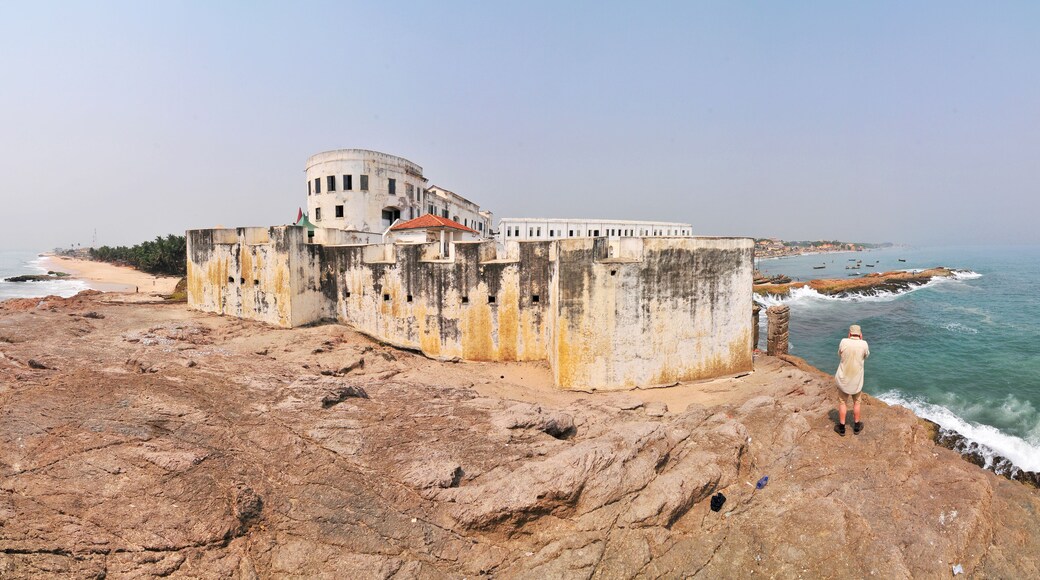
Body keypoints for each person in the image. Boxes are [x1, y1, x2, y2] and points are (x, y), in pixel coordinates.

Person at [835, 324, 869, 436]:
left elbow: (839, 354)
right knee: (857, 402)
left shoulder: (844, 341)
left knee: (842, 402)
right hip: (856, 380)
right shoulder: (864, 344)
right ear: (860, 335)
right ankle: (856, 426)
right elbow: (866, 355)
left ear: (849, 334)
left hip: (843, 378)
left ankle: (842, 428)